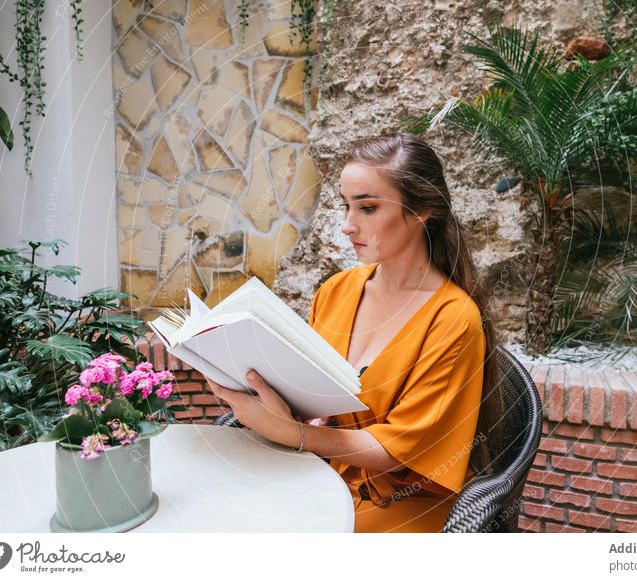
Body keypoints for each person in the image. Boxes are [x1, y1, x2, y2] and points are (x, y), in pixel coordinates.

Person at [205, 133, 503, 532]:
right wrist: (264, 396)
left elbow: (398, 451)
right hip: (317, 477)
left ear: (421, 211)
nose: (347, 226)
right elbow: (307, 391)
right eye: (346, 205)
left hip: (400, 507)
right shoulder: (336, 291)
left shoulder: (453, 319)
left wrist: (293, 434)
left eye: (367, 207)